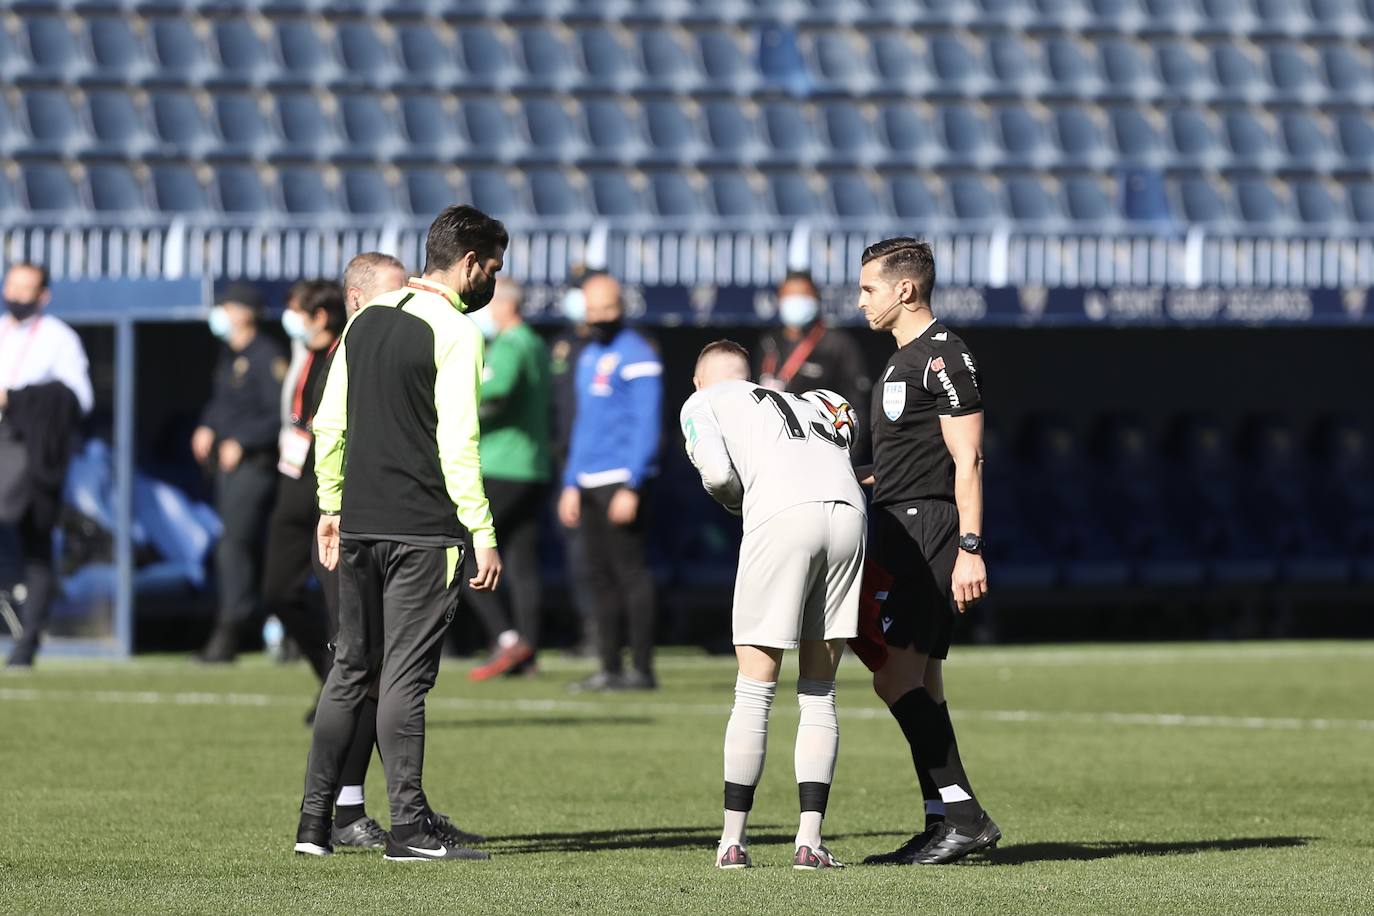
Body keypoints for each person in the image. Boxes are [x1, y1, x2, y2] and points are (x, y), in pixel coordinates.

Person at [295, 206, 506, 862]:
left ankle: (312, 826)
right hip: (422, 531)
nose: (492, 281)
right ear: (468, 262)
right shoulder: (457, 331)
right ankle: (410, 830)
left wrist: (331, 507)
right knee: (405, 680)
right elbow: (458, 442)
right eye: (492, 268)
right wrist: (482, 528)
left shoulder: (363, 324)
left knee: (349, 670)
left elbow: (328, 427)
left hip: (357, 523)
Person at [680, 340, 866, 871]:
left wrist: (746, 501)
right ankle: (809, 841)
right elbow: (847, 430)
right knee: (819, 691)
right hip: (850, 512)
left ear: (700, 381)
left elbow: (717, 475)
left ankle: (733, 841)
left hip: (781, 514)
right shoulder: (809, 399)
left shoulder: (704, 402)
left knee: (755, 690)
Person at [848, 237, 999, 865]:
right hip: (898, 525)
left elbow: (968, 459)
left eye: (868, 289)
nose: (860, 302)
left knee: (894, 677)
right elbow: (909, 460)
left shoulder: (946, 357)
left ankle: (966, 817)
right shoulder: (899, 360)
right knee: (924, 684)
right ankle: (943, 822)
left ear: (904, 289)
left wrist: (970, 547)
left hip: (930, 533)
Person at [259, 276, 397, 851]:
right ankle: (339, 813)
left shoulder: (358, 352)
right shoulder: (322, 354)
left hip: (336, 509)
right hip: (311, 504)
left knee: (360, 660)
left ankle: (345, 812)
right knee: (345, 653)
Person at [556, 273, 662, 692]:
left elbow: (646, 423)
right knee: (597, 574)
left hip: (621, 479)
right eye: (592, 309)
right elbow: (584, 425)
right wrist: (570, 482)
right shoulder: (586, 356)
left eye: (606, 308)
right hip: (588, 479)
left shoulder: (638, 353)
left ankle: (642, 667)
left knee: (630, 574)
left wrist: (633, 484)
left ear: (621, 307)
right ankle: (609, 665)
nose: (598, 316)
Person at [0, 262, 93, 667]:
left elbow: (79, 398)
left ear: (43, 295)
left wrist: (18, 399)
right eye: (12, 285)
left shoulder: (59, 339)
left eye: (27, 288)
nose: (17, 295)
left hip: (27, 449)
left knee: (34, 541)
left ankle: (27, 638)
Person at [192, 283, 287, 663]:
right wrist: (208, 426)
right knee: (236, 545)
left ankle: (234, 628)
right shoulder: (230, 355)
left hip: (256, 466)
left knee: (236, 546)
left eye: (228, 306)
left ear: (246, 312)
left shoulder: (266, 356)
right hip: (230, 469)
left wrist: (244, 442)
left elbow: (280, 414)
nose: (221, 314)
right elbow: (223, 404)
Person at [465, 278, 552, 681]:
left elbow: (496, 391)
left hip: (503, 465)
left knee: (467, 552)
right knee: (520, 562)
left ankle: (505, 638)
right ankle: (528, 650)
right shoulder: (535, 342)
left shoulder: (512, 344)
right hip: (531, 465)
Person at [756, 271, 872, 462]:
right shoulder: (769, 342)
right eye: (789, 296)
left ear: (816, 299)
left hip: (822, 454)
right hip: (774, 454)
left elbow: (858, 406)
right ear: (779, 299)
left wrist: (849, 459)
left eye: (803, 296)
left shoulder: (837, 344)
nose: (795, 301)